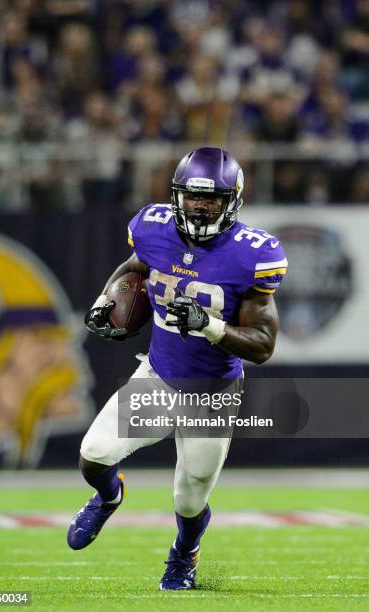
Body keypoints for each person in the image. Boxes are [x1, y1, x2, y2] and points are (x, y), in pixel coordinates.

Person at [67, 146, 288, 590]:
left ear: (233, 202)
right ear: (176, 195)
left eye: (211, 198)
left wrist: (208, 325)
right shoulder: (151, 228)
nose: (200, 205)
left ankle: (183, 555)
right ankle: (110, 496)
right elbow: (135, 267)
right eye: (191, 196)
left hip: (212, 395)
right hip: (159, 379)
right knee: (94, 455)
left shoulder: (252, 255)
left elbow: (263, 346)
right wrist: (107, 300)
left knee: (189, 500)